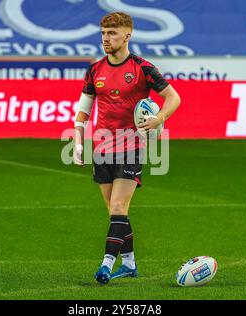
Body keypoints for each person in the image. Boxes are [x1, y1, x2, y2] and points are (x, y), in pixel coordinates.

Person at [73, 12, 181, 284]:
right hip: (101, 146)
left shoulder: (143, 68)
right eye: (103, 34)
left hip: (131, 145)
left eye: (112, 33)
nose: (106, 39)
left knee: (119, 205)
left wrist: (159, 118)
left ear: (127, 35)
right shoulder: (95, 70)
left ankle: (106, 265)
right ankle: (130, 264)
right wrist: (77, 141)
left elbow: (173, 97)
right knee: (114, 210)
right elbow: (83, 110)